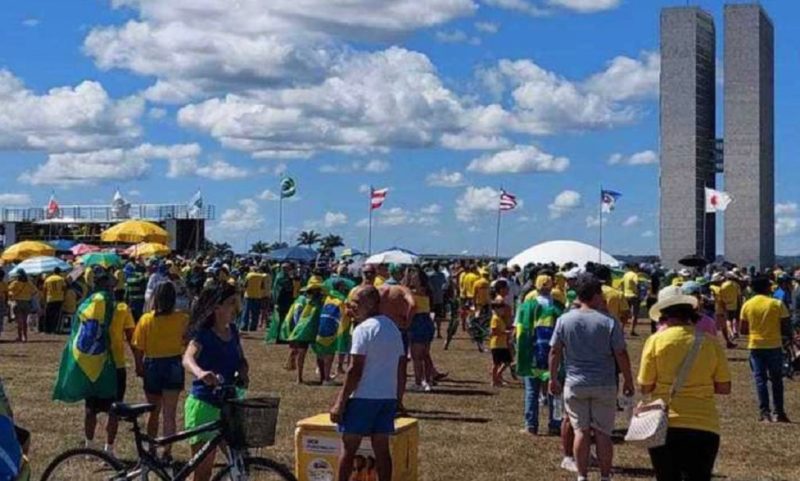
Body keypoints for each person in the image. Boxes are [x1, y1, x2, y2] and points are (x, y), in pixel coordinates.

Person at [639, 285, 732, 481]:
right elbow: (724, 387)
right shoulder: (710, 342)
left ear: (663, 313)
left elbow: (645, 386)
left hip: (664, 423)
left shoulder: (655, 341)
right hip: (704, 424)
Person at [548, 274, 634, 481]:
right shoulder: (609, 321)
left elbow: (555, 351)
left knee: (581, 431)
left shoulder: (564, 320)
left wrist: (552, 377)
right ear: (595, 295)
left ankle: (582, 475)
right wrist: (628, 380)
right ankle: (605, 476)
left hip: (575, 382)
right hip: (604, 383)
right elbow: (620, 353)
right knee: (603, 433)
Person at [330, 286, 404, 481]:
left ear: (371, 303)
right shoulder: (393, 328)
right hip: (387, 397)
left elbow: (355, 369)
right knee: (382, 449)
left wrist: (340, 402)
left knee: (349, 448)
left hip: (363, 397)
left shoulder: (363, 329)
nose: (351, 307)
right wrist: (398, 398)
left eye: (355, 303)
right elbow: (401, 367)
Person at [182, 283, 249, 481]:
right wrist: (200, 372)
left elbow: (240, 359)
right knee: (203, 471)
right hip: (205, 405)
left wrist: (243, 371)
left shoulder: (233, 331)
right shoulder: (203, 334)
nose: (236, 308)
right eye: (231, 303)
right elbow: (187, 358)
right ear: (216, 307)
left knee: (240, 465)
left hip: (229, 403)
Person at [132, 281, 189, 458]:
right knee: (170, 414)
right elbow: (187, 340)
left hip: (153, 365)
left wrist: (139, 365)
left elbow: (138, 347)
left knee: (153, 412)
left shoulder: (146, 319)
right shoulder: (182, 319)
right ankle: (167, 451)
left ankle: (151, 448)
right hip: (173, 364)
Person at [516, 274, 564, 436]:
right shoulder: (559, 307)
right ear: (551, 287)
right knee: (555, 391)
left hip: (533, 355)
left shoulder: (526, 306)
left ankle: (531, 425)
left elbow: (520, 331)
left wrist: (520, 353)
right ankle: (556, 424)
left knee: (531, 391)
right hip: (554, 355)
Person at [739, 275, 791, 423]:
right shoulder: (777, 304)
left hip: (756, 345)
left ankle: (764, 412)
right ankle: (779, 412)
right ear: (767, 288)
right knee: (777, 380)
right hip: (774, 345)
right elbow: (786, 326)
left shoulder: (748, 305)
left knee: (760, 380)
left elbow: (743, 330)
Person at [284, 277, 325, 384]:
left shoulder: (316, 301)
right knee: (308, 354)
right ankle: (301, 378)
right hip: (308, 331)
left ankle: (319, 377)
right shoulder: (308, 301)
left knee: (315, 355)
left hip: (310, 330)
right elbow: (297, 316)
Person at [405, 267, 435, 392]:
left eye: (414, 277)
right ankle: (428, 380)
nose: (412, 278)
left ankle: (419, 382)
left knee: (416, 356)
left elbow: (406, 292)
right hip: (427, 321)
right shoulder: (427, 291)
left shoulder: (414, 292)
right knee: (425, 355)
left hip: (418, 322)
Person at [489, 279, 513, 387]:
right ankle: (498, 376)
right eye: (506, 288)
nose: (508, 290)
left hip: (504, 331)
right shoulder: (500, 301)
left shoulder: (501, 300)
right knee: (505, 357)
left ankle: (499, 376)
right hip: (503, 333)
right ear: (501, 289)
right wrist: (506, 330)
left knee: (505, 358)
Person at [8, 270, 37, 343]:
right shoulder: (29, 283)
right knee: (24, 321)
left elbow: (9, 291)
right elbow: (35, 291)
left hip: (18, 302)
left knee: (19, 321)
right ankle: (25, 336)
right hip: (27, 303)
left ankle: (20, 336)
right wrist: (28, 295)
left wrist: (13, 295)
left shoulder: (15, 283)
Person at [241, 266, 267, 332]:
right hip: (257, 296)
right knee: (255, 313)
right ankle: (253, 327)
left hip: (248, 295)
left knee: (246, 312)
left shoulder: (249, 275)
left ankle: (244, 326)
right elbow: (262, 287)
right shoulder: (261, 276)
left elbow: (245, 285)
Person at [43, 267, 66, 334]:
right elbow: (64, 288)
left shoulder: (48, 279)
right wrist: (63, 296)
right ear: (59, 272)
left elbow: (44, 290)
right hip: (59, 299)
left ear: (53, 272)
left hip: (50, 298)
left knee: (48, 315)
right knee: (57, 315)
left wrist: (45, 298)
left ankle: (47, 330)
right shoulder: (61, 279)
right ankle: (55, 329)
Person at [622, 264, 642, 336]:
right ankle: (632, 330)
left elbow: (622, 284)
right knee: (634, 314)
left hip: (626, 295)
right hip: (634, 296)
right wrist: (639, 293)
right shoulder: (634, 275)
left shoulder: (625, 275)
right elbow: (637, 284)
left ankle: (621, 329)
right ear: (635, 268)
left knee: (626, 313)